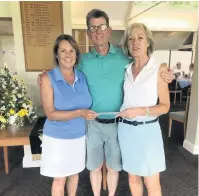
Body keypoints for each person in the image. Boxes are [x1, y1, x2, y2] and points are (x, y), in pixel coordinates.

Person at [38, 9, 174, 196]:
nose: (98, 31)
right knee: (101, 169)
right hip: (93, 123)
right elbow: (65, 65)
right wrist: (46, 74)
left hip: (119, 124)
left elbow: (148, 66)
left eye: (102, 26)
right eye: (93, 28)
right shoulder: (83, 60)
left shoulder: (124, 58)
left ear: (109, 30)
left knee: (116, 168)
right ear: (88, 33)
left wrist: (167, 72)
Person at [40, 34, 97, 196]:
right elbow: (50, 114)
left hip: (79, 136)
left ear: (76, 55)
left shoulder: (82, 77)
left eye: (72, 51)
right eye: (63, 50)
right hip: (57, 138)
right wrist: (80, 112)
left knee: (74, 175)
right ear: (56, 54)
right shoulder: (47, 78)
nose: (68, 55)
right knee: (59, 180)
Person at [117, 23, 170, 196]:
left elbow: (165, 106)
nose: (135, 42)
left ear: (148, 42)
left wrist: (139, 111)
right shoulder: (125, 69)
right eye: (131, 39)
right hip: (126, 131)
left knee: (151, 182)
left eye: (140, 37)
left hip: (148, 132)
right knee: (133, 178)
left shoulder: (159, 69)